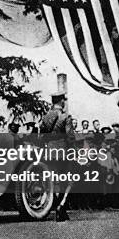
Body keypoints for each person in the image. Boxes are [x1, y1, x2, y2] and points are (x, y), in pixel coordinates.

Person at [39, 90, 75, 221]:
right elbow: (70, 136)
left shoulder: (46, 116)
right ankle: (61, 205)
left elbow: (41, 136)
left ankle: (58, 209)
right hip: (63, 151)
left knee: (54, 181)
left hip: (49, 151)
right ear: (61, 101)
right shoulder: (65, 116)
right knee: (69, 180)